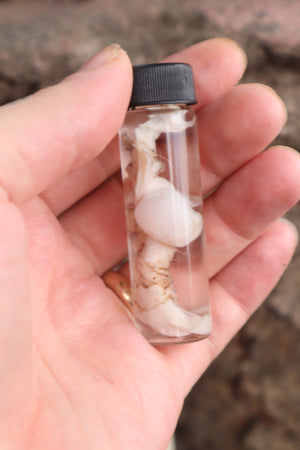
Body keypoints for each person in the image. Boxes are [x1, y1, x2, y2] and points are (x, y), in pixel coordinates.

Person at [0, 37, 299, 449]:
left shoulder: (174, 130)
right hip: (159, 238)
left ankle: (174, 312)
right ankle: (169, 311)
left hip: (165, 239)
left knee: (166, 258)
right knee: (160, 258)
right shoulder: (141, 135)